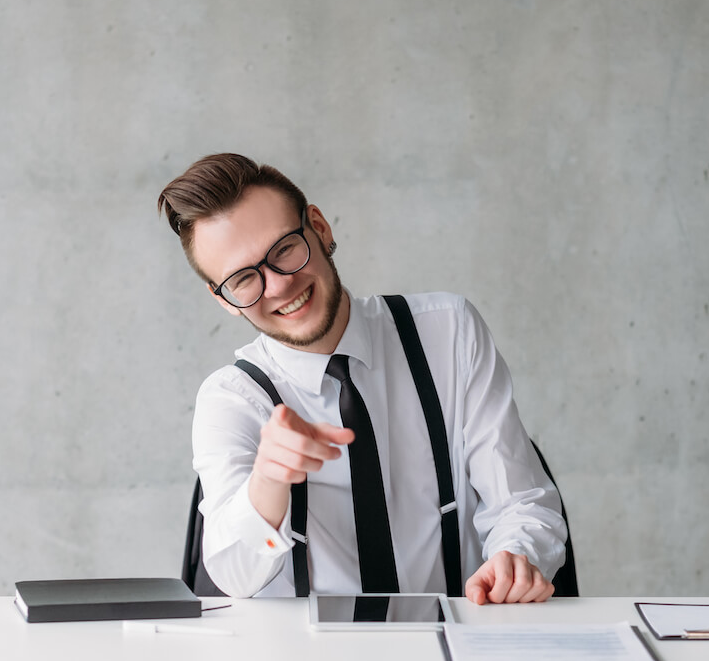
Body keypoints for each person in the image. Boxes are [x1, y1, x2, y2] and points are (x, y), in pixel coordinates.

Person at [158, 153, 567, 604]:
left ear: (320, 227)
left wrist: (516, 555)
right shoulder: (231, 400)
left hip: (454, 647)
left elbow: (522, 502)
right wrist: (268, 482)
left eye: (283, 251)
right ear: (225, 299)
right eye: (242, 278)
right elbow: (233, 577)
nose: (276, 286)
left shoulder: (448, 332)